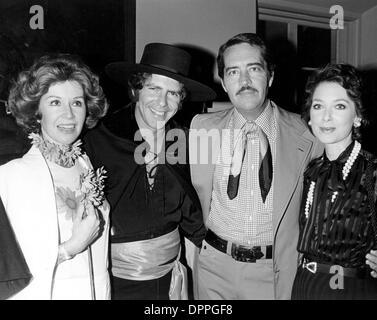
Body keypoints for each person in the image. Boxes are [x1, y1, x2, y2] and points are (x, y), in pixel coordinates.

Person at [189, 33, 322, 299]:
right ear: (224, 83)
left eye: (254, 69)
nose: (244, 81)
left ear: (270, 76)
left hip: (273, 273)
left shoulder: (308, 133)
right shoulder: (201, 129)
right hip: (213, 270)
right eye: (233, 72)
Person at [83, 43, 215, 300]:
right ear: (136, 89)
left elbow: (196, 205)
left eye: (173, 93)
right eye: (154, 88)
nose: (162, 103)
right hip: (113, 279)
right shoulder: (98, 138)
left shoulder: (189, 142)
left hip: (170, 278)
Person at [0, 54, 110, 299]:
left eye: (77, 103)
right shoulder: (12, 174)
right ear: (36, 109)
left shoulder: (84, 164)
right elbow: (9, 271)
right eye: (55, 103)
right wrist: (71, 248)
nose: (69, 115)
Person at [291, 63, 377, 299]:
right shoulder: (312, 169)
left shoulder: (372, 170)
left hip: (348, 289)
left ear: (357, 116)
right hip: (305, 283)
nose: (326, 116)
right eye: (318, 106)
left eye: (339, 106)